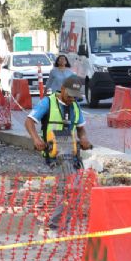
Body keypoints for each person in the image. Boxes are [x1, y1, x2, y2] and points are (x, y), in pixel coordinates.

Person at [25, 75, 92, 232]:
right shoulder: (48, 102)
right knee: (71, 189)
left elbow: (81, 128)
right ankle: (57, 225)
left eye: (75, 97)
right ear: (62, 89)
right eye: (69, 96)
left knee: (74, 190)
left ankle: (59, 224)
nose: (72, 100)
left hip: (72, 152)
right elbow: (29, 121)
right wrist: (36, 139)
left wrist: (84, 139)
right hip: (55, 152)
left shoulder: (75, 106)